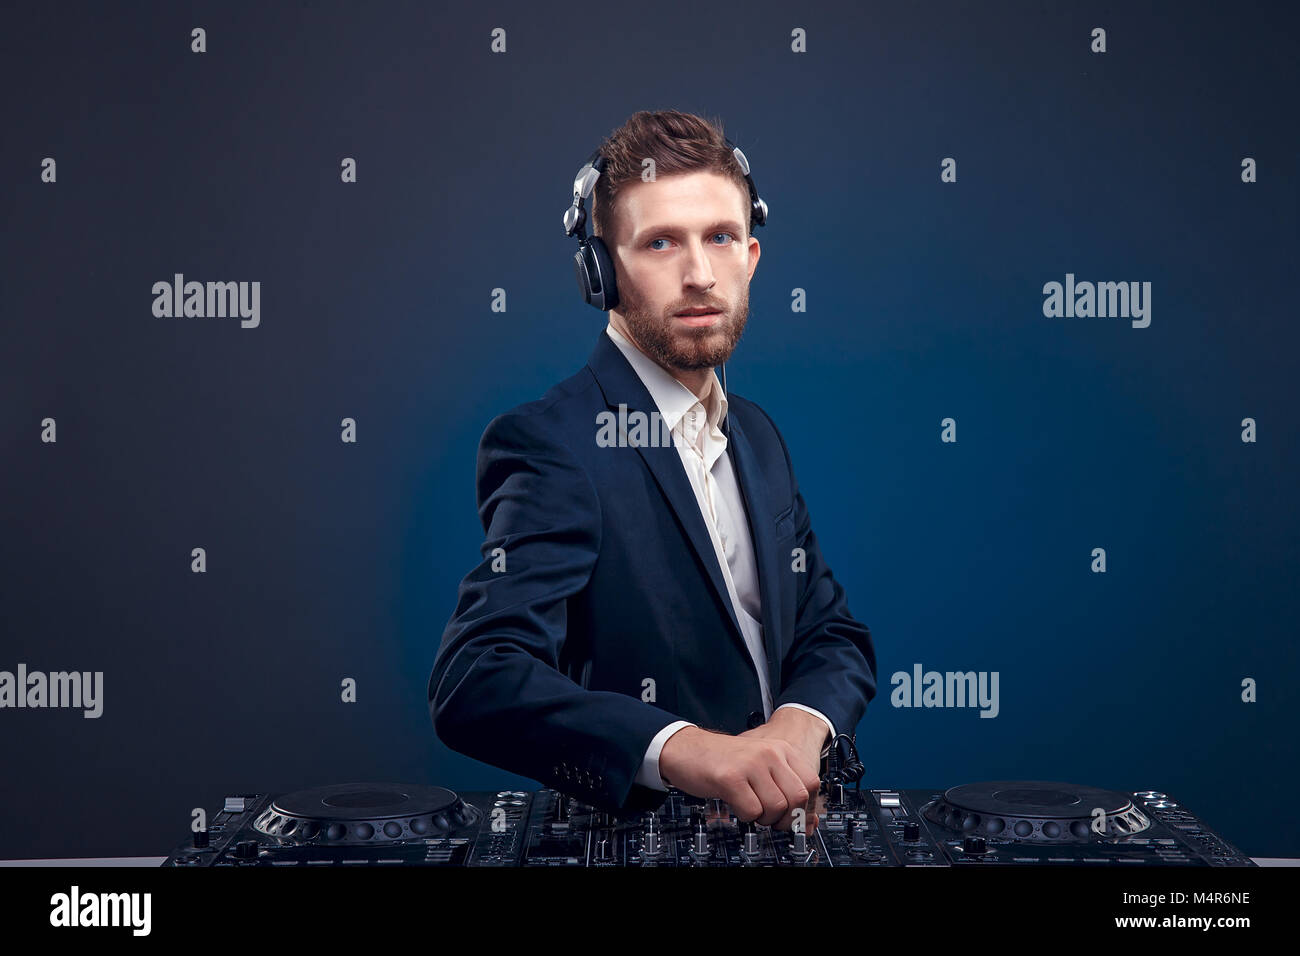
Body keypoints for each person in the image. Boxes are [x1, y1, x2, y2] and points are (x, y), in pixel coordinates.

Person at [428, 109, 876, 831]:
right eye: (661, 242)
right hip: (640, 834)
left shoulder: (757, 436)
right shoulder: (552, 443)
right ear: (599, 272)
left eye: (720, 238)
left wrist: (799, 722)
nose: (699, 274)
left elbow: (832, 633)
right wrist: (684, 750)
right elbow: (476, 679)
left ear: (751, 257)